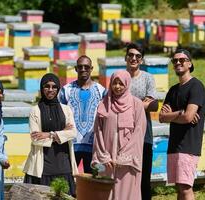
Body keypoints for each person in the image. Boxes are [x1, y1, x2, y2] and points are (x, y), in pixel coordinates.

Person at [159, 49, 205, 200]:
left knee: (186, 188)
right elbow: (161, 117)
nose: (178, 62)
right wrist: (180, 113)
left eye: (182, 60)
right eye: (175, 60)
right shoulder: (173, 90)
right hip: (173, 145)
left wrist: (175, 115)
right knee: (179, 189)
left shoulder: (196, 86)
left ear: (190, 63)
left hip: (188, 145)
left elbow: (188, 117)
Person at [92, 70, 147, 200]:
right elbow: (98, 132)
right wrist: (104, 156)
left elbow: (139, 132)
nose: (117, 86)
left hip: (127, 162)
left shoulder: (136, 104)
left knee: (127, 194)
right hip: (108, 161)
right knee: (106, 193)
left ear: (127, 84)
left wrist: (124, 157)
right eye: (114, 83)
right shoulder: (104, 104)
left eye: (121, 83)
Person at [23, 73, 78, 196]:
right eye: (46, 86)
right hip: (42, 166)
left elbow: (73, 132)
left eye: (54, 87)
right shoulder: (35, 110)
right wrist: (62, 133)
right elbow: (36, 139)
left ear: (58, 89)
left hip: (63, 164)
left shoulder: (66, 110)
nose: (50, 90)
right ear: (42, 88)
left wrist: (49, 134)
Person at [59, 55, 106, 173]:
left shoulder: (101, 91)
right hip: (70, 144)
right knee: (68, 177)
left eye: (86, 67)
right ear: (76, 69)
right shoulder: (66, 90)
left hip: (93, 145)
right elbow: (59, 112)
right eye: (80, 67)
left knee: (91, 181)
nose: (83, 69)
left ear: (91, 68)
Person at [125, 43, 158, 200]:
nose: (134, 58)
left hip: (144, 136)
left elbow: (152, 104)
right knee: (126, 180)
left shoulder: (148, 78)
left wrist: (126, 104)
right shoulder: (119, 77)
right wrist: (140, 103)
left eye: (138, 56)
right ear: (126, 57)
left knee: (144, 180)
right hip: (123, 137)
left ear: (142, 60)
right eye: (131, 55)